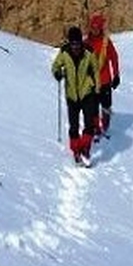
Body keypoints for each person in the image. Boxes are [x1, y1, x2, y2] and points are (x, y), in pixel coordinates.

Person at [51, 25, 99, 166]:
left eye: (78, 43)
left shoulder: (89, 52)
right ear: (69, 42)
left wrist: (96, 89)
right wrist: (57, 73)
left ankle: (85, 149)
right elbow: (55, 66)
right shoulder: (64, 52)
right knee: (73, 126)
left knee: (89, 124)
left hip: (87, 92)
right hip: (71, 94)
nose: (76, 46)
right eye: (73, 43)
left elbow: (95, 70)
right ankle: (76, 150)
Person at [86, 13, 121, 138]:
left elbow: (114, 58)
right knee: (92, 108)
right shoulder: (86, 42)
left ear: (100, 28)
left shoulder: (106, 42)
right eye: (93, 27)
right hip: (91, 82)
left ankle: (105, 127)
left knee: (106, 106)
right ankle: (96, 129)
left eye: (97, 27)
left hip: (105, 81)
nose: (94, 30)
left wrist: (116, 75)